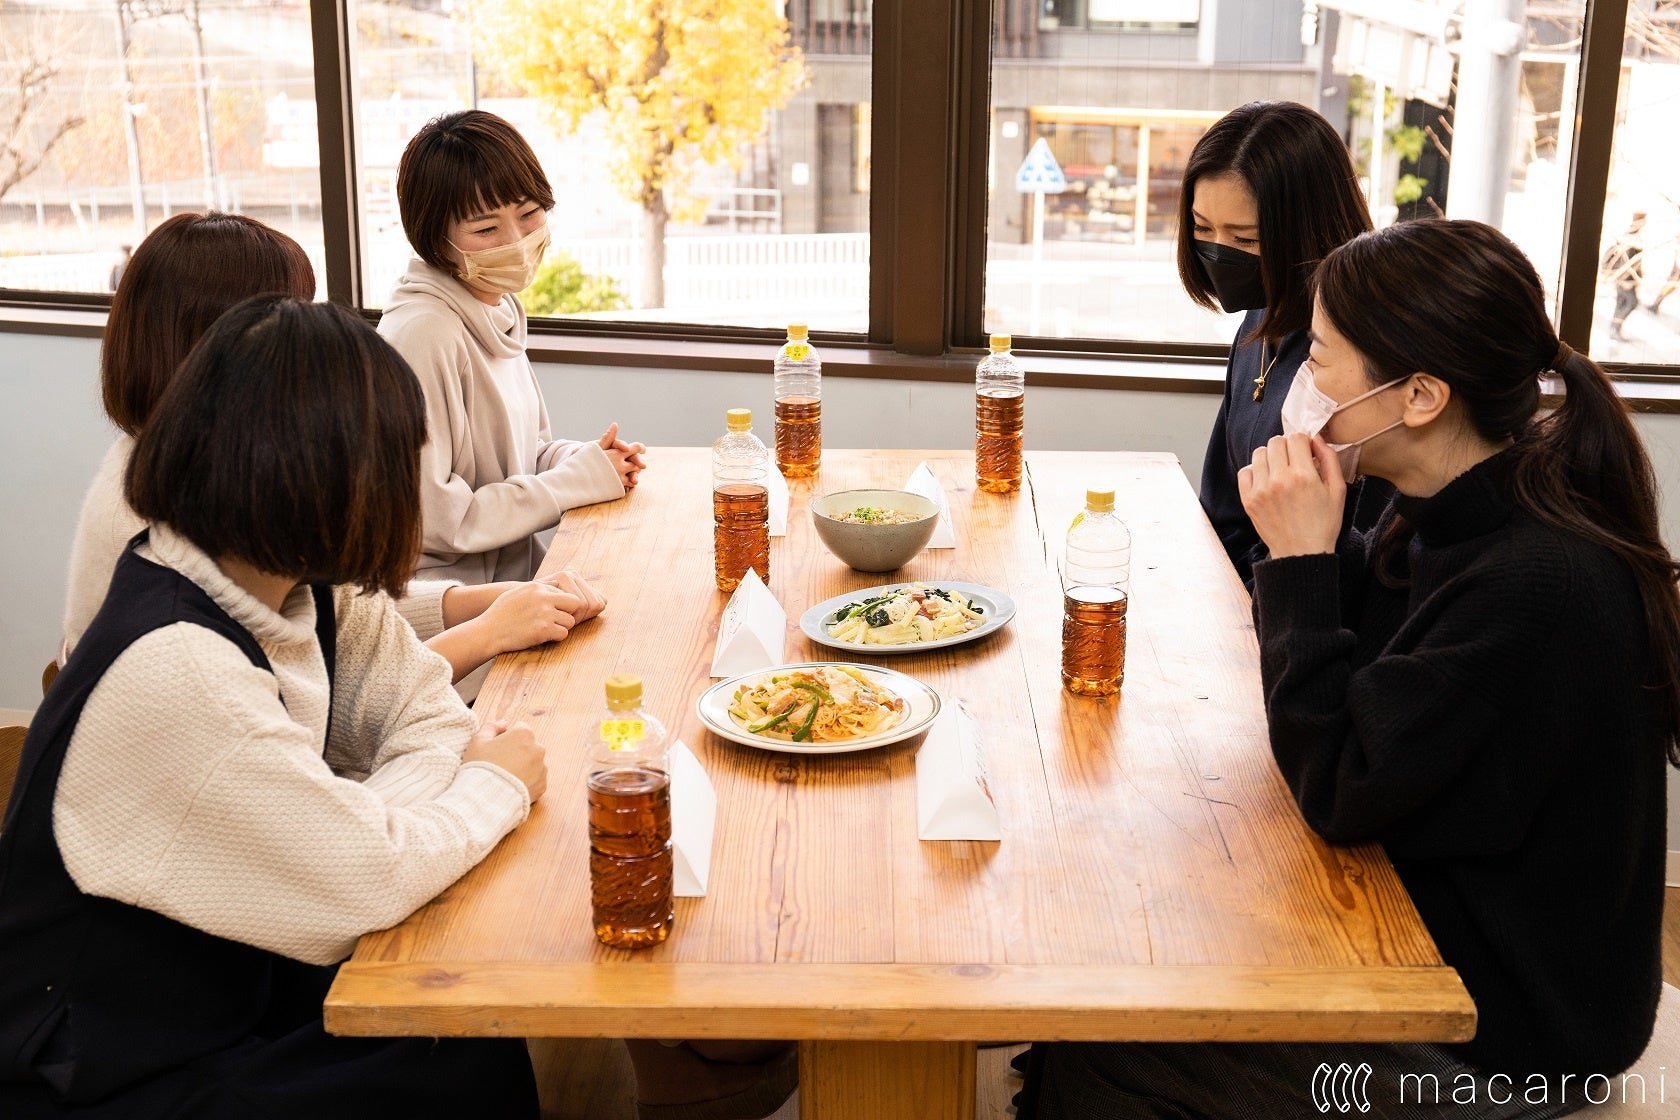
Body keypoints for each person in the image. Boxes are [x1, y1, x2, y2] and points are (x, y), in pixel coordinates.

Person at [1019, 219, 1675, 1118]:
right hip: (1438, 935)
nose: (1300, 386)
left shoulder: (1536, 583)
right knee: (1109, 973)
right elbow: (1344, 686)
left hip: (1510, 1036)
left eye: (1320, 359)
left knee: (1110, 1043)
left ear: (1419, 396)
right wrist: (1310, 555)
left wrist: (1300, 563)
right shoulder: (1444, 507)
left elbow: (1336, 785)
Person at [0, 296, 547, 1117]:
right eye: (399, 460)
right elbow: (374, 875)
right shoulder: (176, 664)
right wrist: (486, 785)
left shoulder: (301, 582)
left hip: (234, 981)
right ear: (328, 474)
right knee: (457, 1061)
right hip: (108, 1066)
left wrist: (364, 823)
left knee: (463, 1022)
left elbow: (429, 718)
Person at [61, 211, 603, 683]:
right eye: (286, 318)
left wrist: (477, 604)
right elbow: (316, 699)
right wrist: (485, 633)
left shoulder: (222, 465)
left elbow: (330, 609)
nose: (307, 342)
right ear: (216, 346)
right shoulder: (159, 515)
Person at [380, 109, 647, 586]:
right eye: (485, 230)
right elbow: (440, 520)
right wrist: (576, 481)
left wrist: (585, 460)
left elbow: (528, 458)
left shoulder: (493, 307)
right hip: (458, 608)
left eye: (528, 214)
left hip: (518, 581)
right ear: (433, 238)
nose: (517, 242)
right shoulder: (423, 335)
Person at [1177, 100, 1383, 586]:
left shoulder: (1357, 358)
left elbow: (1349, 555)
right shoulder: (1262, 317)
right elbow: (1221, 509)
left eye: (1246, 240)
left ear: (1308, 229)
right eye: (1202, 228)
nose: (1217, 251)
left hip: (1295, 598)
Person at [1601, 210, 1646, 341]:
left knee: (1621, 302)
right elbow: (1626, 261)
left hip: (1623, 278)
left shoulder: (1629, 234)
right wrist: (1627, 280)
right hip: (1625, 279)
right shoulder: (1632, 238)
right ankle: (1615, 328)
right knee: (1631, 302)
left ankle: (1614, 329)